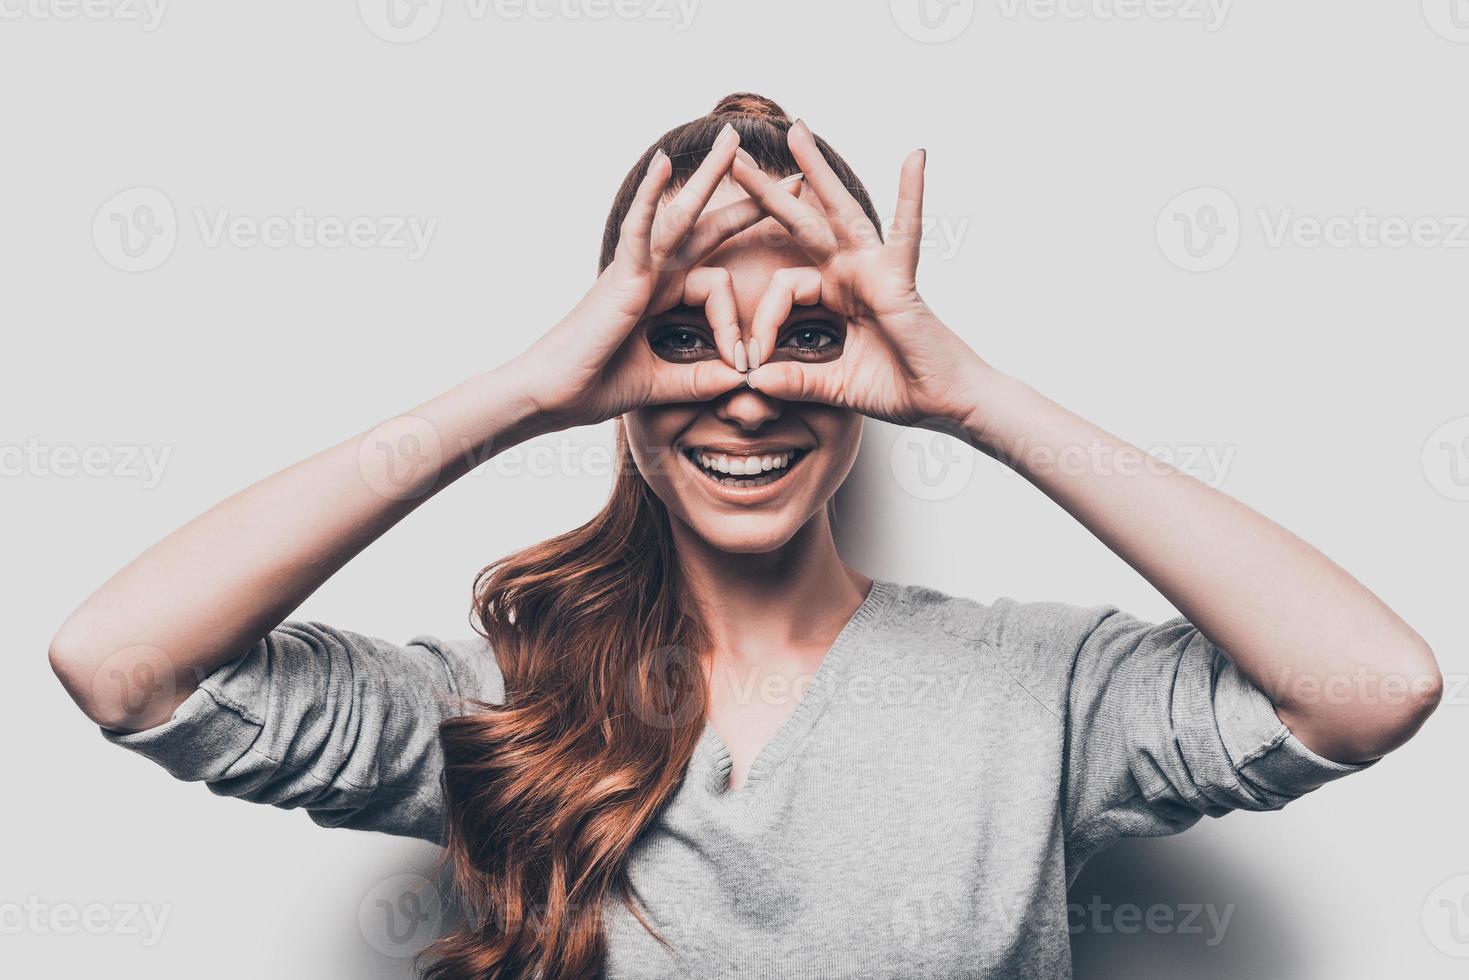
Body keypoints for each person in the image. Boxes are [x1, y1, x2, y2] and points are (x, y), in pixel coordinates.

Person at [50, 93, 1442, 979]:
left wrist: (972, 395)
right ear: (609, 363)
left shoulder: (1041, 688)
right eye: (679, 334)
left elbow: (1372, 687)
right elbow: (124, 663)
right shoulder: (503, 702)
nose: (746, 385)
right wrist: (525, 393)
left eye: (810, 333)